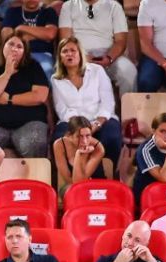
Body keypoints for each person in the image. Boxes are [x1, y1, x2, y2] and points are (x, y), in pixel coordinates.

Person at [0, 32, 55, 160]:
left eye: (19, 47)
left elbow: (40, 96)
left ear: (24, 52)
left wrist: (9, 99)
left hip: (29, 123)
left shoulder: (34, 67)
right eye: (11, 44)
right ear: (3, 47)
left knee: (35, 143)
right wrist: (7, 73)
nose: (14, 49)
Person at [50, 38, 123, 171]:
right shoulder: (56, 79)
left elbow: (108, 102)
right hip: (71, 122)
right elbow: (62, 109)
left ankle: (108, 174)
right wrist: (80, 128)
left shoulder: (97, 71)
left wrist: (97, 124)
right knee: (60, 139)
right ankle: (73, 177)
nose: (69, 54)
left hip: (101, 119)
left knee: (112, 137)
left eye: (73, 50)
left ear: (80, 54)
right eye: (65, 51)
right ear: (60, 57)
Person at [58, 0, 137, 96]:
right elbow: (66, 41)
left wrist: (109, 58)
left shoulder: (114, 6)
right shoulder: (68, 6)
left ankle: (127, 105)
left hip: (109, 54)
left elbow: (121, 41)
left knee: (128, 71)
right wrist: (82, 57)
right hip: (79, 55)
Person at [0, 0, 61, 77]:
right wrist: (39, 35)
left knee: (46, 71)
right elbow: (6, 36)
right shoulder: (12, 12)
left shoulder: (48, 11)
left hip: (41, 53)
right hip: (16, 53)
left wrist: (20, 28)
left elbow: (50, 34)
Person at [54, 117, 110, 190]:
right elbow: (74, 182)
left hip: (96, 187)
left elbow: (80, 181)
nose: (84, 141)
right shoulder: (59, 145)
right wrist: (79, 154)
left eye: (88, 135)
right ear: (69, 135)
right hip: (71, 187)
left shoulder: (98, 148)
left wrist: (80, 155)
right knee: (70, 190)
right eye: (79, 136)